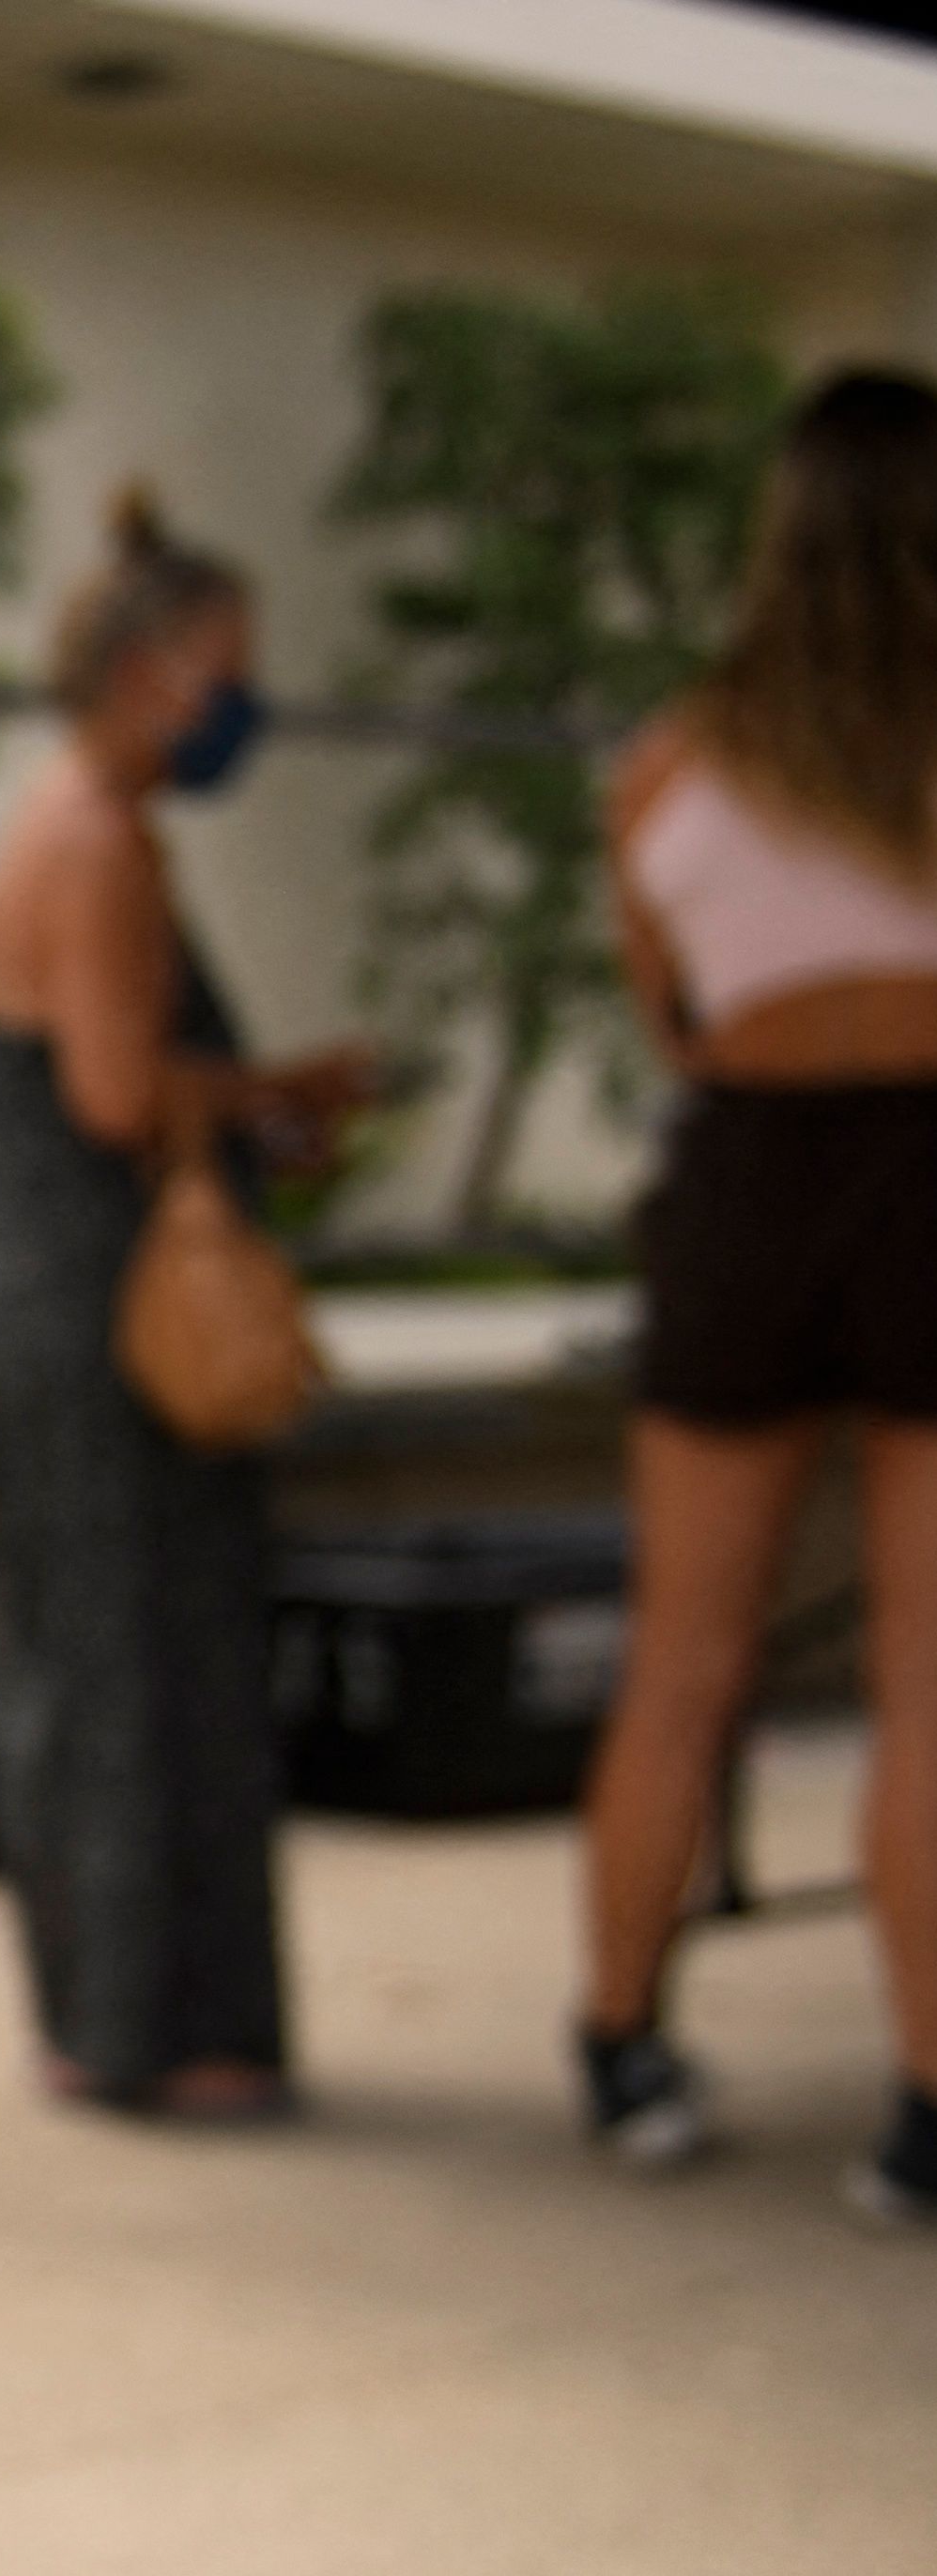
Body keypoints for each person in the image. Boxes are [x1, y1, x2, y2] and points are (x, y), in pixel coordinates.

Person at [0, 490, 372, 2119]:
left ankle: (98, 2014)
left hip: (40, 1291)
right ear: (147, 676)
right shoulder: (101, 845)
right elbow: (120, 1095)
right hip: (102, 1303)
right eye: (227, 673)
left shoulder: (55, 819)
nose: (243, 708)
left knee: (82, 1663)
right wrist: (278, 1091)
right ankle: (167, 2028)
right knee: (155, 1667)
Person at [587, 368, 937, 2221]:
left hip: (748, 1174)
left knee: (685, 1656)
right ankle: (926, 2112)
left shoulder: (667, 762)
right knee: (926, 1681)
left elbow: (673, 1017)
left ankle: (621, 2032)